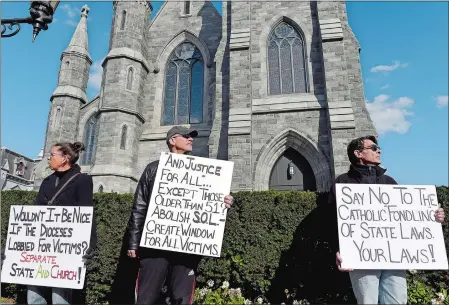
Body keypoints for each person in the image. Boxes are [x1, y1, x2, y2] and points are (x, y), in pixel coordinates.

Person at [329, 135, 445, 304]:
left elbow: (407, 217)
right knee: (368, 301)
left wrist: (432, 217)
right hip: (361, 256)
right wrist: (339, 250)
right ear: (358, 153)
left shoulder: (389, 182)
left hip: (393, 257)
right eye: (374, 148)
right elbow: (332, 221)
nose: (379, 150)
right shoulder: (342, 183)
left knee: (397, 300)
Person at [126, 126, 234, 305]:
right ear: (172, 140)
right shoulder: (153, 168)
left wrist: (223, 202)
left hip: (186, 250)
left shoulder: (202, 171)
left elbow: (209, 203)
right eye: (186, 136)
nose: (191, 139)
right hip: (155, 248)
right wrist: (133, 242)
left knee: (181, 298)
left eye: (192, 136)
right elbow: (140, 206)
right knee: (147, 297)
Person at [26, 142, 97, 304]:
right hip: (40, 245)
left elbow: (86, 213)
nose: (49, 158)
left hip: (65, 248)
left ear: (65, 158)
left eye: (52, 155)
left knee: (60, 298)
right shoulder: (47, 181)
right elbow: (35, 214)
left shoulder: (82, 181)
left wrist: (90, 244)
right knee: (34, 294)